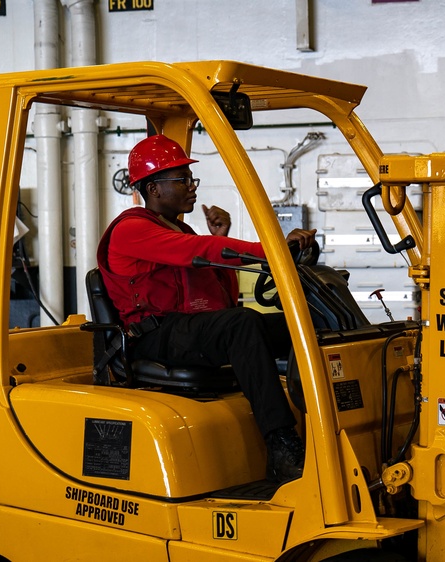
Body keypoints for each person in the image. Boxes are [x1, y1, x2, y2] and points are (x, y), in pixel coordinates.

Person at [97, 134, 316, 483]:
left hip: (187, 329)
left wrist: (223, 233)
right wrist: (273, 248)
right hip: (155, 334)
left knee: (303, 323)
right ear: (153, 188)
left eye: (190, 179)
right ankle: (281, 443)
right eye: (182, 180)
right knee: (240, 325)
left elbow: (221, 297)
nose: (191, 187)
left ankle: (326, 424)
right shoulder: (132, 230)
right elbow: (202, 250)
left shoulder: (177, 230)